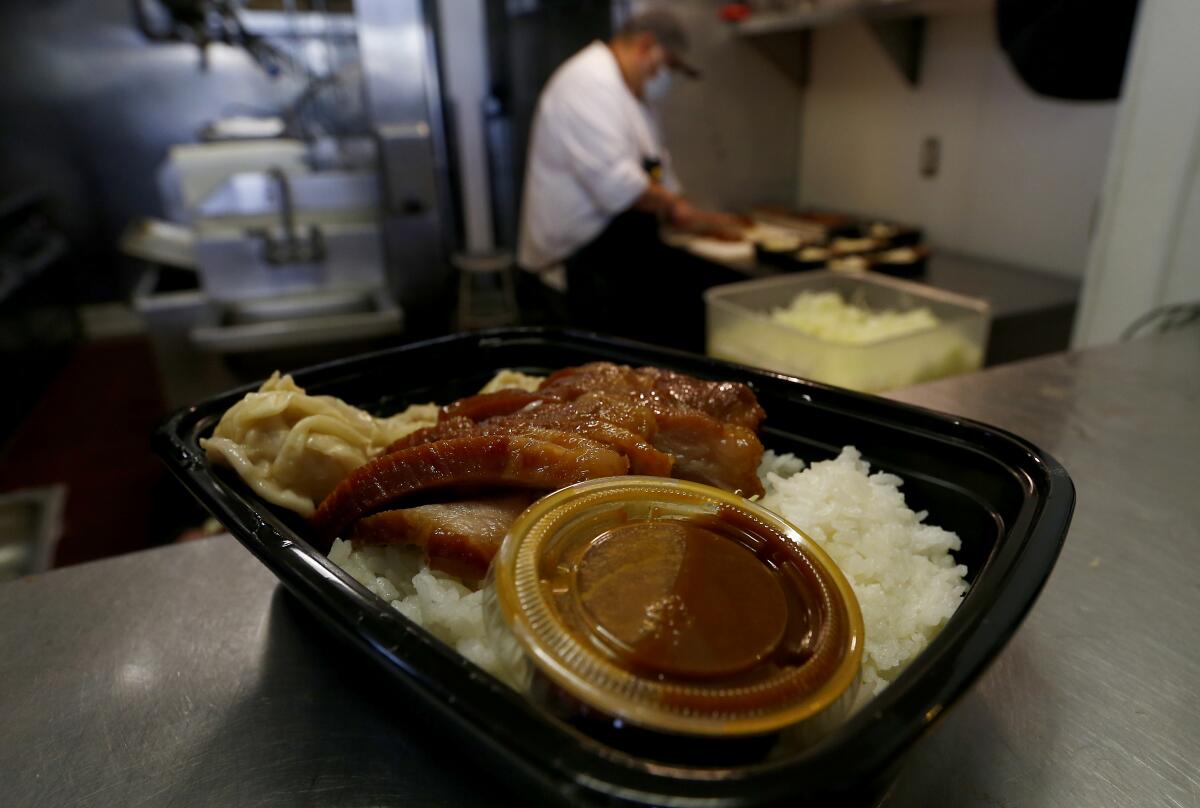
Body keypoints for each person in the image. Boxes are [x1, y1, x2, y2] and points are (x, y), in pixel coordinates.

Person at [516, 9, 745, 345]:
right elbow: (618, 185)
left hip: (610, 265)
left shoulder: (634, 99)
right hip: (574, 267)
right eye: (667, 64)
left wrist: (687, 208)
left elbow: (656, 169)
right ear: (645, 46)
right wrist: (676, 206)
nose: (666, 76)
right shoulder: (589, 82)